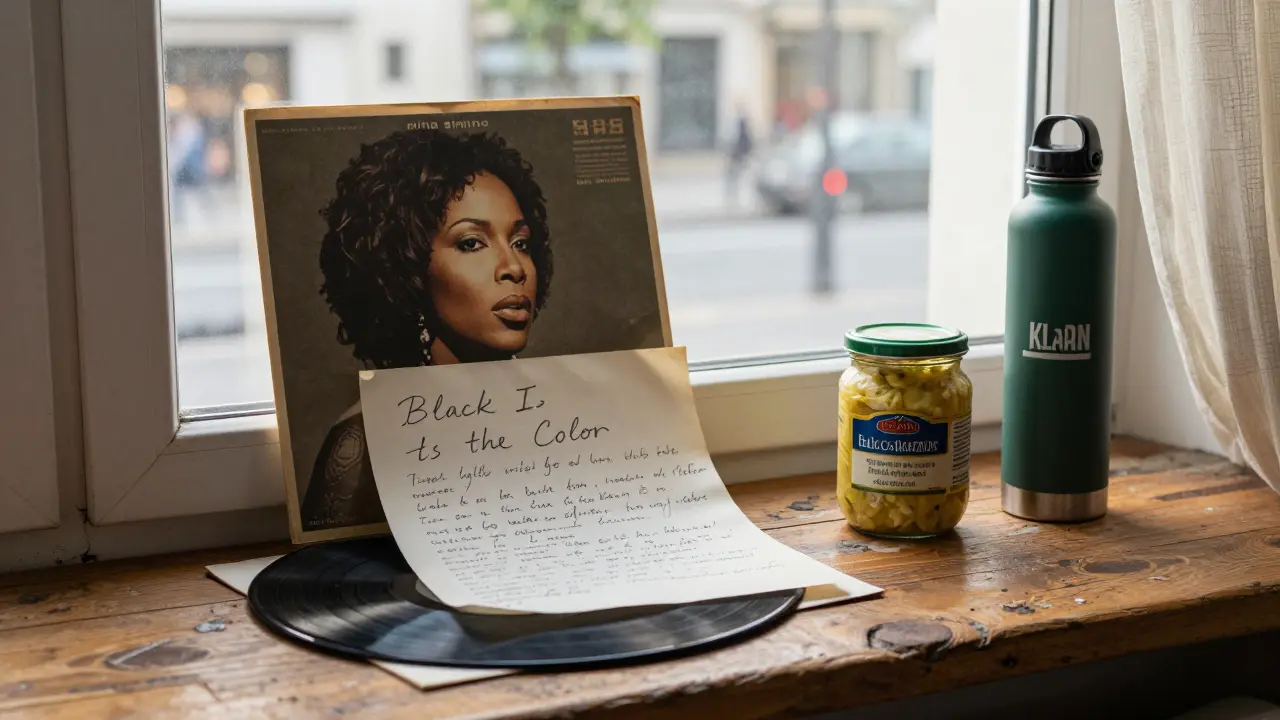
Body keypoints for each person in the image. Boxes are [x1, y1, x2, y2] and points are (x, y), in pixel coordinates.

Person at [300, 130, 554, 529]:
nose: (514, 267)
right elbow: (327, 582)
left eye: (521, 242)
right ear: (407, 268)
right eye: (472, 243)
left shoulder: (560, 416)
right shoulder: (362, 442)